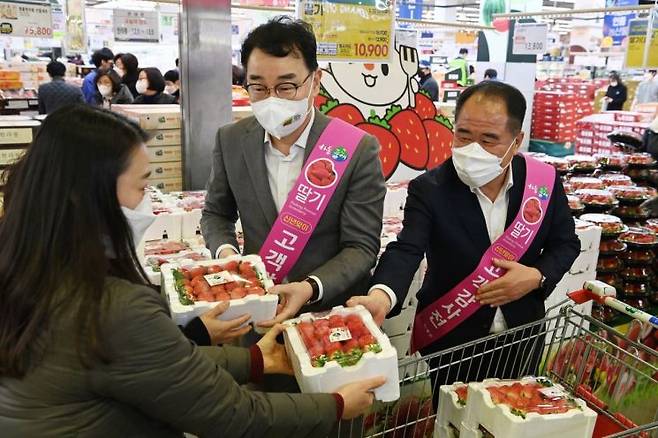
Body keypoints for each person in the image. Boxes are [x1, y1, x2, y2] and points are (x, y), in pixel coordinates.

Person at [0, 105, 385, 437]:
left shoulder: (25, 265)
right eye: (141, 185)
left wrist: (254, 359)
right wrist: (335, 405)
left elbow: (142, 364)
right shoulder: (114, 306)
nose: (147, 202)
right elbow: (231, 414)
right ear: (89, 195)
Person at [352, 81, 580, 405]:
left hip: (521, 333)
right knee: (453, 422)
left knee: (515, 415)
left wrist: (536, 276)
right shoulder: (429, 189)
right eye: (463, 135)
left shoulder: (542, 182)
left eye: (489, 140)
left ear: (517, 142)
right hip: (453, 338)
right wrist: (381, 295)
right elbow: (406, 248)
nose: (473, 149)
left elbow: (566, 244)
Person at [201, 17, 387, 329]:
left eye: (287, 86)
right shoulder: (231, 139)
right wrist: (228, 254)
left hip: (330, 316)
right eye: (258, 86)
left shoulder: (356, 149)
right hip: (257, 311)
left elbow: (362, 246)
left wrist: (311, 286)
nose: (272, 99)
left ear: (315, 81)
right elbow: (216, 213)